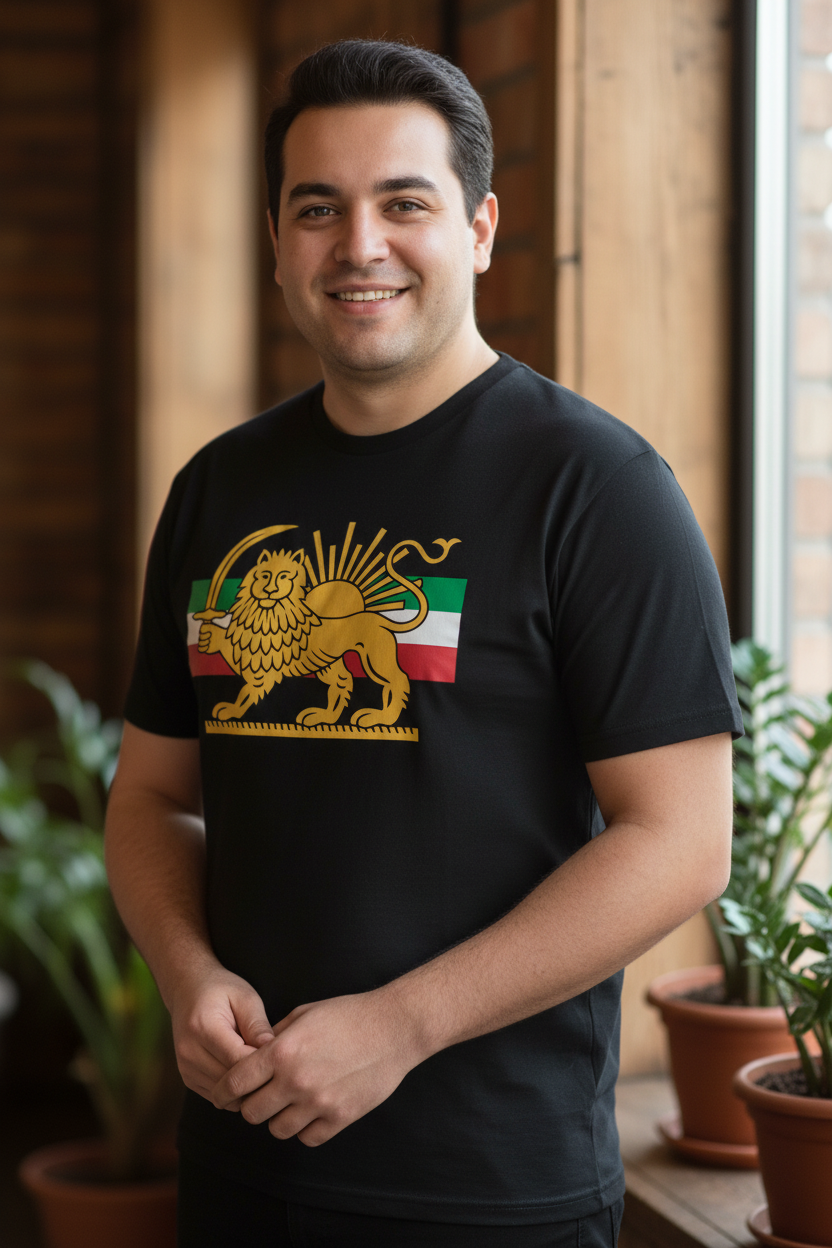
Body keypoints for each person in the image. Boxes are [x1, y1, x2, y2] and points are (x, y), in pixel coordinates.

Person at [105, 39, 742, 1248]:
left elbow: (682, 844)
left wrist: (400, 1025)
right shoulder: (217, 492)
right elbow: (151, 796)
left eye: (404, 202)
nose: (360, 244)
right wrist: (188, 975)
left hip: (491, 1190)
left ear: (479, 228)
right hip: (238, 1165)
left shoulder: (599, 489)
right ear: (277, 241)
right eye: (317, 209)